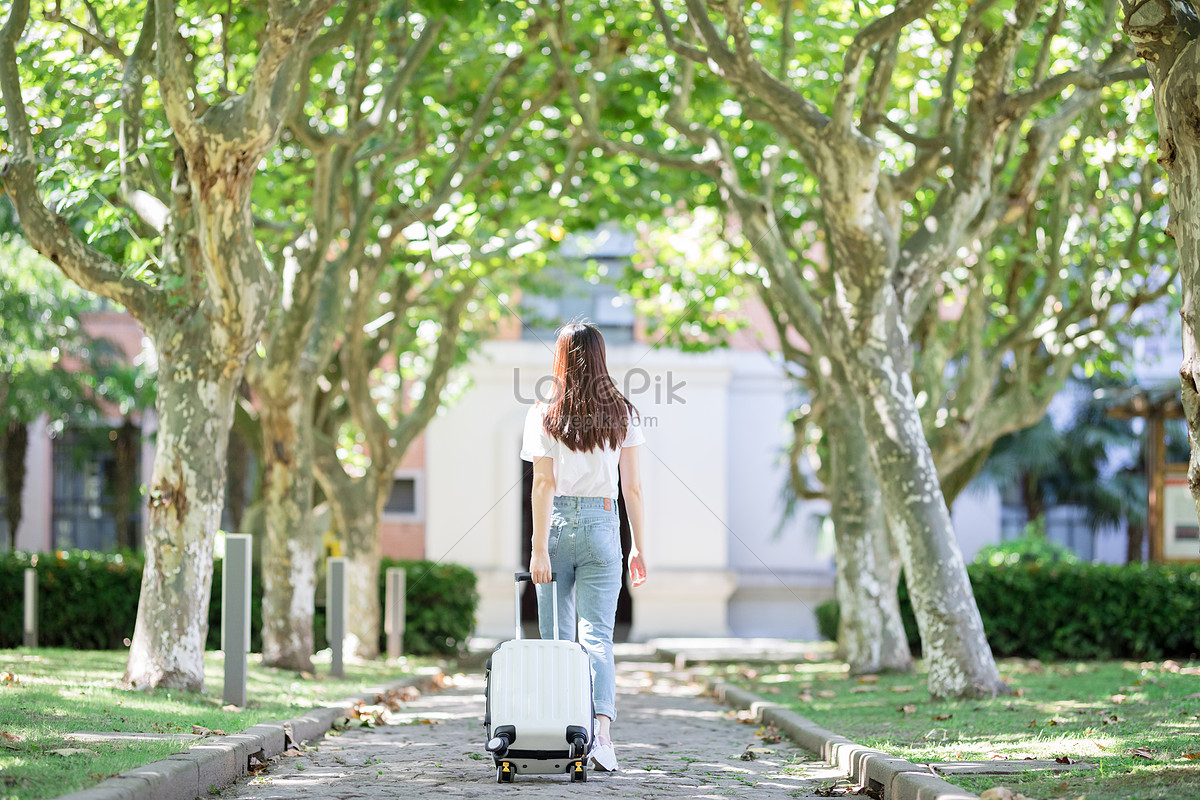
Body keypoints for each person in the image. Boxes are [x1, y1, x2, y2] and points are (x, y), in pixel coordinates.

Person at [519, 321, 647, 773]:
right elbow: (631, 487)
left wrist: (538, 550)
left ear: (560, 358)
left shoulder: (543, 413)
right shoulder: (623, 413)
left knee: (556, 641)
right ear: (601, 356)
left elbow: (543, 486)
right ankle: (603, 738)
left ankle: (560, 731)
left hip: (555, 527)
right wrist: (637, 547)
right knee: (598, 638)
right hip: (604, 523)